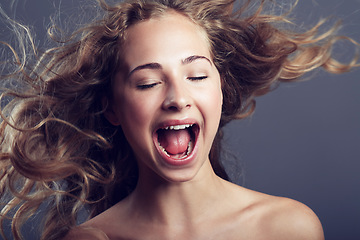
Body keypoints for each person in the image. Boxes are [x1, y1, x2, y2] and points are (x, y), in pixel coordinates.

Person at [0, 0, 358, 239]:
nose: (177, 98)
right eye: (148, 82)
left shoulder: (287, 227)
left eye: (197, 76)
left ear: (221, 90)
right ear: (112, 108)